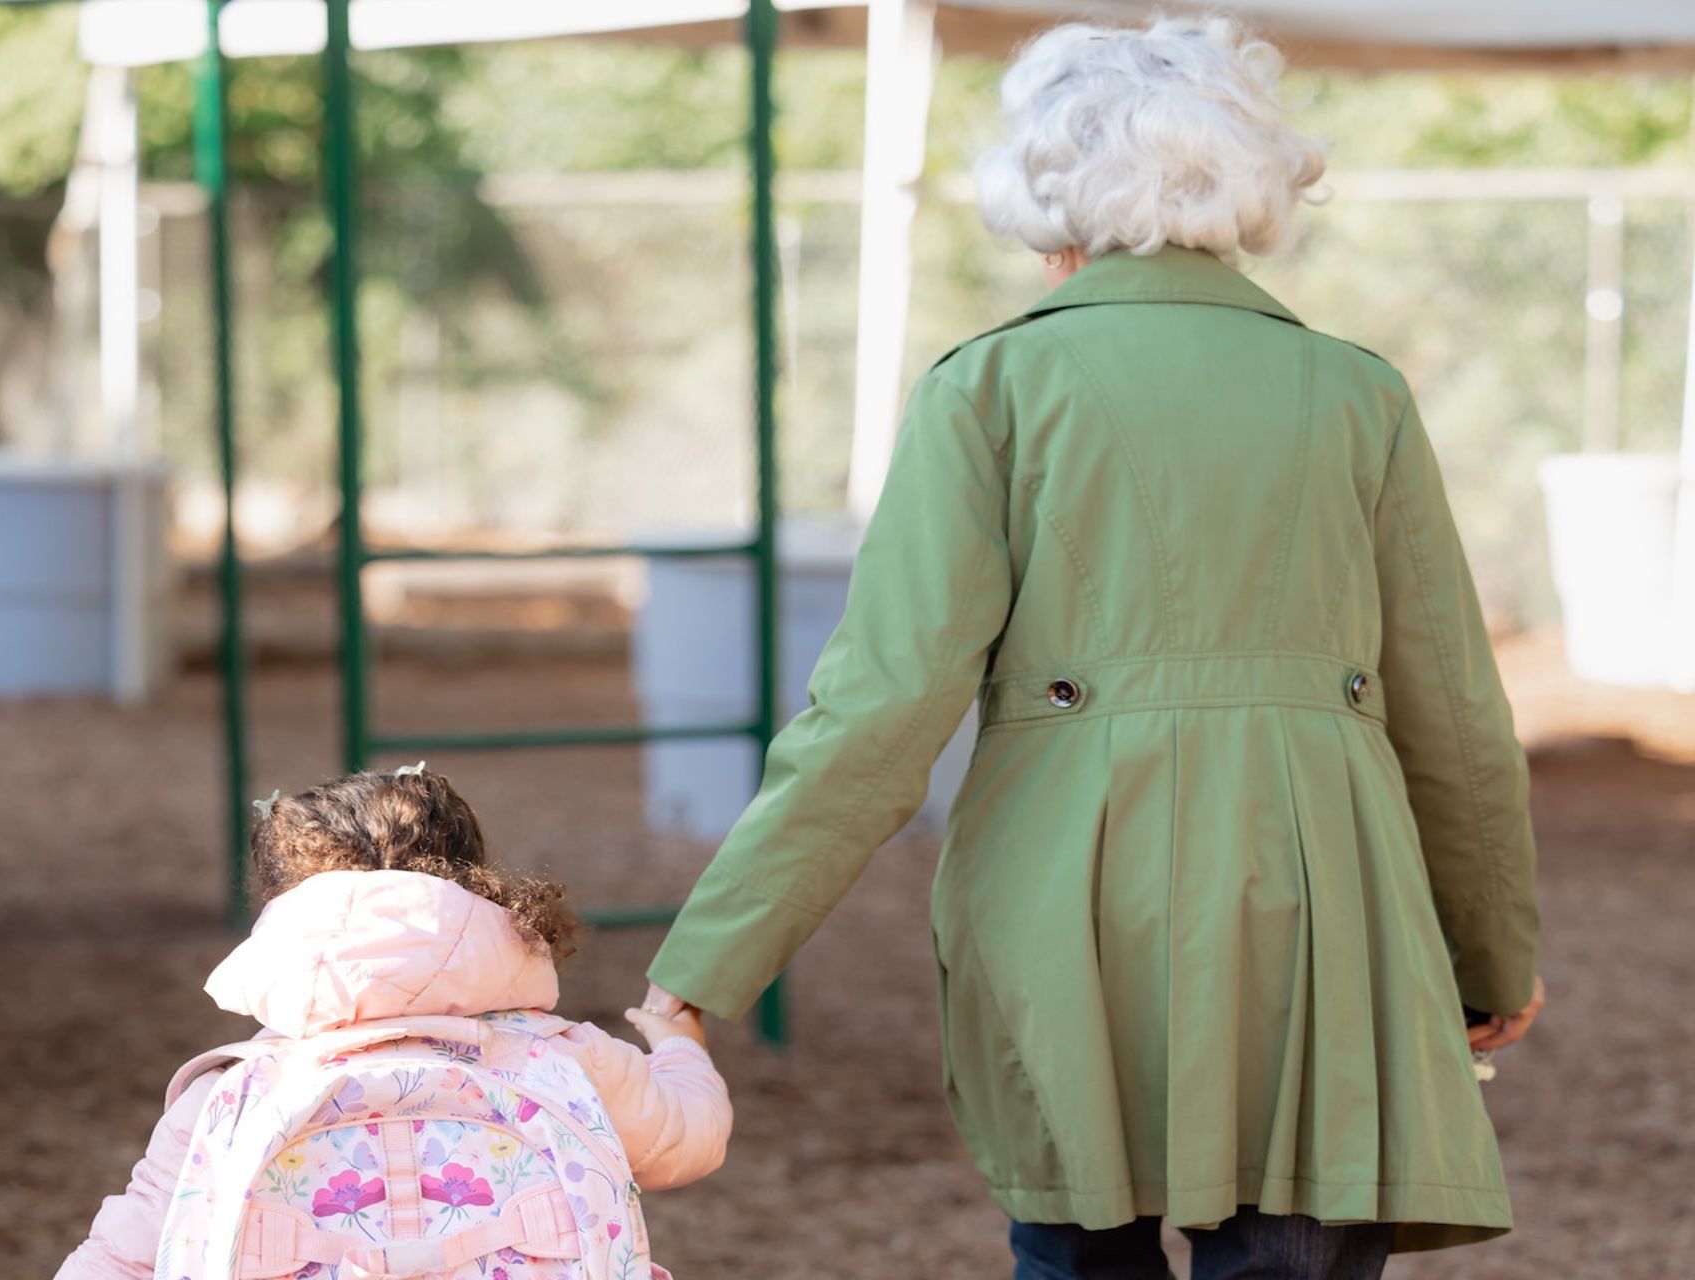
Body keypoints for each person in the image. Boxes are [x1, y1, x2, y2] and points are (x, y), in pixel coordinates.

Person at [640, 15, 1544, 1280]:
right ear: (1255, 171)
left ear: (1039, 179)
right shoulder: (1358, 394)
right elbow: (1454, 712)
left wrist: (706, 961)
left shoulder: (990, 389)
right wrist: (1492, 948)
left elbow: (879, 709)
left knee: (1077, 1248)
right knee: (1293, 1243)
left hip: (1063, 895)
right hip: (1318, 891)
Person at [57, 766, 731, 1280]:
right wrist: (680, 1046)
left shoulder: (236, 1095)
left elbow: (124, 1255)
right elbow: (688, 1138)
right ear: (480, 893)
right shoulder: (561, 1059)